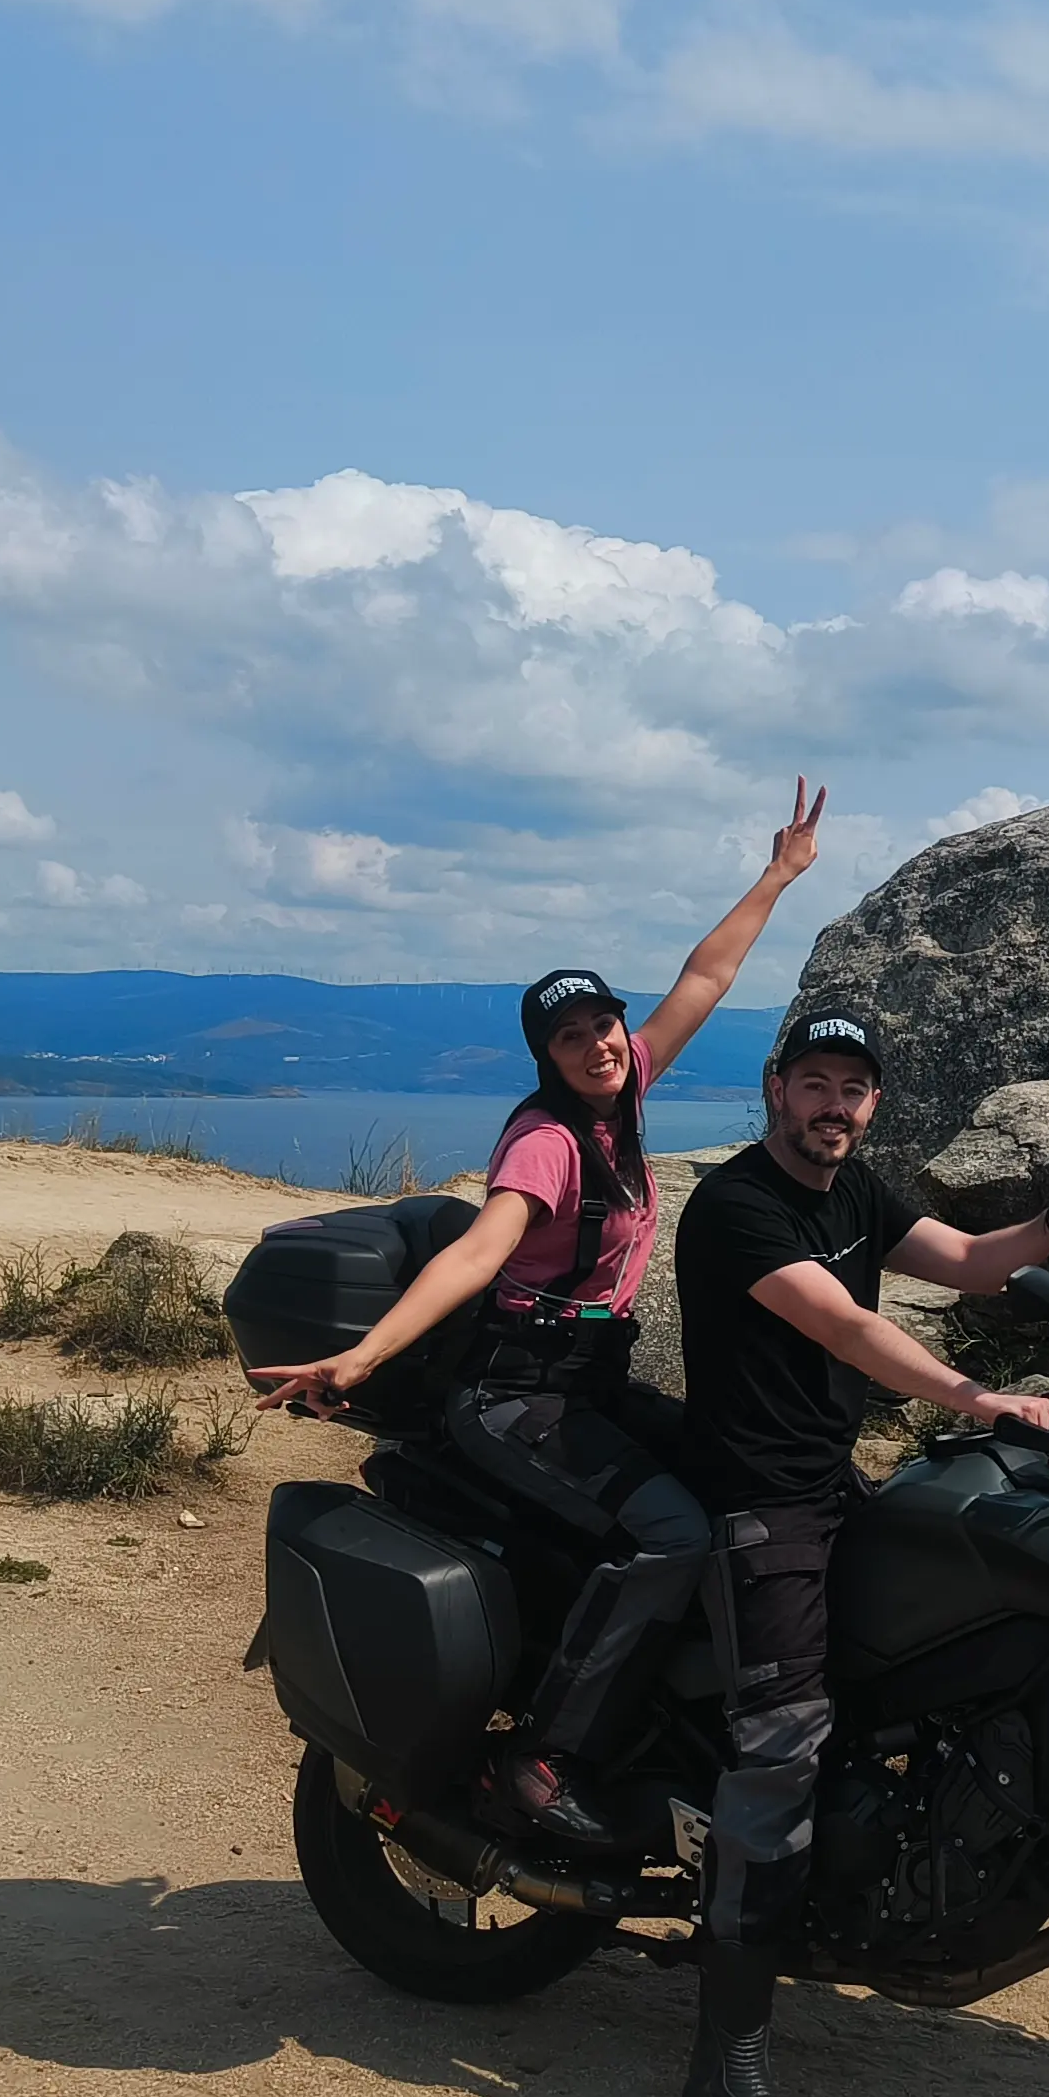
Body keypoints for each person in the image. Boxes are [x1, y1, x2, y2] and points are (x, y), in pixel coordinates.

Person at [248, 781, 830, 1854]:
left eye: (603, 1023)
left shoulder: (627, 1089)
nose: (598, 1044)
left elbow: (705, 978)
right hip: (516, 1399)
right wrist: (364, 1356)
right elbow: (479, 1251)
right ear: (545, 1058)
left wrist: (778, 876)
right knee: (672, 1534)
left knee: (740, 1481)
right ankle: (547, 1756)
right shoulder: (548, 1143)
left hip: (589, 1386)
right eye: (571, 1037)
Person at [660, 1007, 1049, 2097]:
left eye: (853, 1088)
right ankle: (723, 2070)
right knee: (781, 1748)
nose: (834, 1105)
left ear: (872, 1103)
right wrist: (976, 1399)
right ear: (776, 1088)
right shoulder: (735, 1206)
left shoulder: (857, 1194)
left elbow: (971, 1261)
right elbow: (846, 1328)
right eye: (815, 1083)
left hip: (832, 1483)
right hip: (760, 1503)